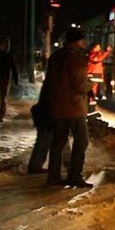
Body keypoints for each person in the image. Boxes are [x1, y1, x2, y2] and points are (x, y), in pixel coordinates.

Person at [45, 28, 92, 188]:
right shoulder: (76, 58)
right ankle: (74, 175)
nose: (84, 43)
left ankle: (53, 176)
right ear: (76, 41)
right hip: (74, 108)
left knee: (58, 143)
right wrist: (90, 84)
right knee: (81, 141)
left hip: (57, 107)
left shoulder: (55, 57)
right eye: (81, 40)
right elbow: (80, 85)